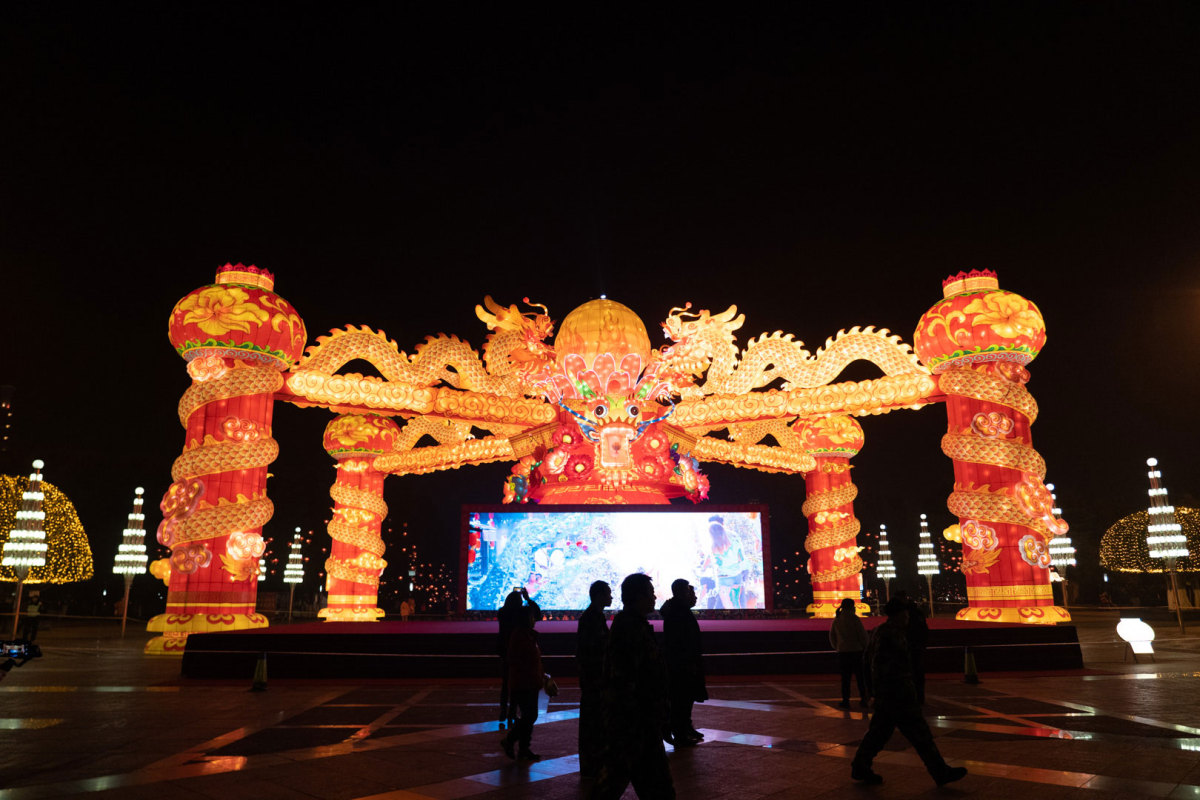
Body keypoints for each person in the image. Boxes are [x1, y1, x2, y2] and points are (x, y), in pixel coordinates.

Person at [851, 597, 967, 787]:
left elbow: (867, 661)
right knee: (920, 735)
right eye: (905, 615)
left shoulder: (881, 631)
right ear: (898, 616)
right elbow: (883, 666)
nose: (907, 618)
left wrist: (871, 691)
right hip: (898, 695)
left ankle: (860, 766)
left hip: (888, 695)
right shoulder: (891, 635)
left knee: (878, 734)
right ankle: (940, 772)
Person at [591, 573, 675, 800]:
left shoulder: (632, 625)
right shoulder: (629, 629)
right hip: (635, 726)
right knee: (650, 787)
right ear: (638, 597)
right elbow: (628, 678)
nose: (655, 597)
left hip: (638, 724)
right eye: (650, 593)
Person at [659, 578, 707, 745]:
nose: (693, 596)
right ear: (680, 593)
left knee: (687, 697)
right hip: (681, 663)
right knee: (681, 699)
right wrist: (688, 661)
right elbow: (679, 640)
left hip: (685, 661)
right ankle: (680, 733)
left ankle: (685, 727)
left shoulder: (679, 609)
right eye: (689, 592)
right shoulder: (677, 612)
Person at [577, 580, 612, 778]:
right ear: (599, 596)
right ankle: (592, 764)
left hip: (593, 678)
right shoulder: (592, 619)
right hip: (594, 678)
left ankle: (592, 763)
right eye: (608, 593)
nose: (611, 597)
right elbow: (590, 651)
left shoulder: (594, 617)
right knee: (593, 723)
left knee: (594, 723)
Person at [500, 606, 544, 762]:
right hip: (523, 683)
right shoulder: (519, 636)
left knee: (529, 716)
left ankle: (524, 748)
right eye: (532, 617)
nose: (535, 620)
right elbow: (517, 660)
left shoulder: (527, 635)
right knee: (530, 715)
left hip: (530, 682)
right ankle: (511, 741)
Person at [497, 587, 540, 727]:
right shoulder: (522, 614)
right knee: (518, 684)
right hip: (521, 652)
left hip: (506, 651)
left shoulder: (502, 612)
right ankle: (513, 712)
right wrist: (527, 598)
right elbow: (538, 614)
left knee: (506, 683)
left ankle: (504, 710)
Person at [829, 597, 868, 709]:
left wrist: (837, 647)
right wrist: (865, 646)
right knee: (860, 677)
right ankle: (863, 699)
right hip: (856, 651)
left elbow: (832, 636)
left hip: (843, 652)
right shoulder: (855, 619)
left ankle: (846, 700)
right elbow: (862, 635)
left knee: (845, 679)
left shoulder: (837, 619)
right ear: (852, 606)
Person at [894, 590, 929, 704]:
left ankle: (910, 697)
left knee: (907, 673)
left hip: (908, 646)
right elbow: (924, 630)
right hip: (916, 646)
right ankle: (918, 697)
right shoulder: (916, 612)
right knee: (917, 673)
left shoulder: (902, 613)